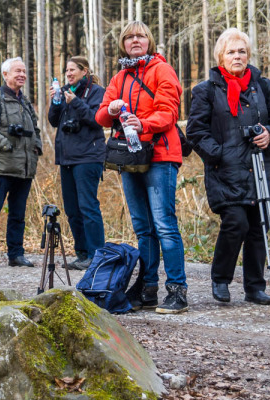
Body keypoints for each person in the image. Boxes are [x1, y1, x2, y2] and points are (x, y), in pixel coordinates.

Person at [186, 28, 270, 305]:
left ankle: (254, 287)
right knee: (236, 222)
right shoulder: (206, 90)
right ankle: (220, 278)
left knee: (258, 225)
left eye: (242, 51)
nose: (237, 56)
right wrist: (218, 154)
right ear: (221, 56)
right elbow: (196, 132)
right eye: (231, 51)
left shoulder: (261, 86)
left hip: (259, 166)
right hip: (225, 171)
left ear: (248, 55)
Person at [95, 21, 188, 314]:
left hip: (160, 154)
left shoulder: (162, 70)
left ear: (149, 41)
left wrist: (143, 123)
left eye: (140, 36)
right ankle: (148, 288)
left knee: (164, 225)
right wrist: (110, 111)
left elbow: (169, 112)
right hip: (129, 158)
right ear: (123, 43)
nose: (135, 40)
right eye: (129, 37)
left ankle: (177, 290)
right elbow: (101, 115)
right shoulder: (119, 77)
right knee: (143, 229)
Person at [0, 57, 43, 268]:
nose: (22, 75)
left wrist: (37, 146)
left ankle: (16, 254)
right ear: (6, 75)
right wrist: (5, 144)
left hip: (24, 169)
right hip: (0, 166)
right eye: (17, 71)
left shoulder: (25, 102)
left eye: (24, 71)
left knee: (18, 214)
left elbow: (35, 129)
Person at [47, 56, 106, 270]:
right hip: (67, 158)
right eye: (66, 70)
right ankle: (82, 254)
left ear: (84, 71)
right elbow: (54, 121)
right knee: (72, 209)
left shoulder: (96, 92)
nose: (69, 73)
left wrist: (76, 102)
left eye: (73, 69)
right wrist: (56, 102)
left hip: (89, 157)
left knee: (88, 207)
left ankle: (96, 255)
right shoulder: (63, 91)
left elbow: (97, 119)